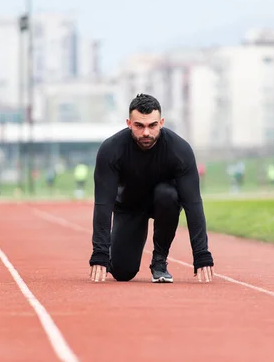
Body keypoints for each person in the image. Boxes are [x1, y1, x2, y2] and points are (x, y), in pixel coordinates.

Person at [88, 93, 215, 284]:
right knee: (123, 273)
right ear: (129, 123)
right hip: (129, 206)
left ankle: (159, 261)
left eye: (152, 125)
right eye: (139, 125)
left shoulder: (179, 150)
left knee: (168, 194)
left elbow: (193, 204)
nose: (146, 132)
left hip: (165, 203)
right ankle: (121, 257)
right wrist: (100, 253)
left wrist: (201, 254)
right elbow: (103, 205)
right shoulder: (111, 150)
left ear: (161, 122)